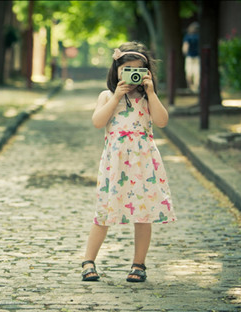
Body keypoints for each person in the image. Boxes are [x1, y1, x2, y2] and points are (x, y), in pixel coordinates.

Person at [82, 42, 177, 283]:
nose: (132, 75)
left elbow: (162, 121)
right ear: (116, 71)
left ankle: (138, 264)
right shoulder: (107, 95)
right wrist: (116, 96)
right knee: (104, 211)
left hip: (143, 163)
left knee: (142, 214)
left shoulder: (148, 98)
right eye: (127, 69)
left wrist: (152, 93)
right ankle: (88, 260)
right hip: (116, 164)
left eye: (138, 70)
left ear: (146, 73)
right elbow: (97, 122)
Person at [182, 22, 200, 93]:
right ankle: (195, 87)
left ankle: (190, 87)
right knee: (197, 73)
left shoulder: (187, 36)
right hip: (197, 56)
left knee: (189, 72)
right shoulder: (198, 36)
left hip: (189, 56)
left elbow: (185, 47)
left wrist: (185, 53)